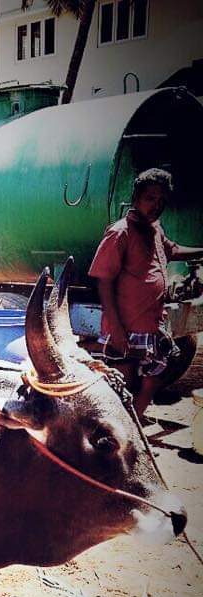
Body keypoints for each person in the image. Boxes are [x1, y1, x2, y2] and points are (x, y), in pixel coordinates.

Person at [89, 168, 203, 418]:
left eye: (162, 200)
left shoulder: (154, 229)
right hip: (127, 327)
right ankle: (119, 429)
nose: (156, 205)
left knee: (153, 379)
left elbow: (173, 250)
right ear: (136, 198)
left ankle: (134, 425)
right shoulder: (120, 232)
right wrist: (116, 330)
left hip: (151, 325)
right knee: (124, 383)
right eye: (150, 198)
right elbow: (104, 283)